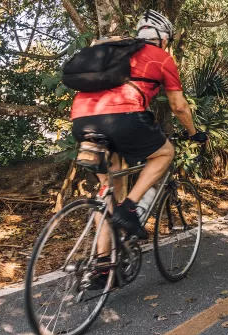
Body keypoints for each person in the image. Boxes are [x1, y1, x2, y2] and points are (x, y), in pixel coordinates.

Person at [69, 10, 206, 281]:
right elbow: (178, 106)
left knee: (109, 190)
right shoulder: (162, 57)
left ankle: (102, 265)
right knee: (165, 152)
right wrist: (194, 133)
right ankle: (131, 207)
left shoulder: (112, 50)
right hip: (123, 118)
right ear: (164, 40)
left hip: (82, 119)